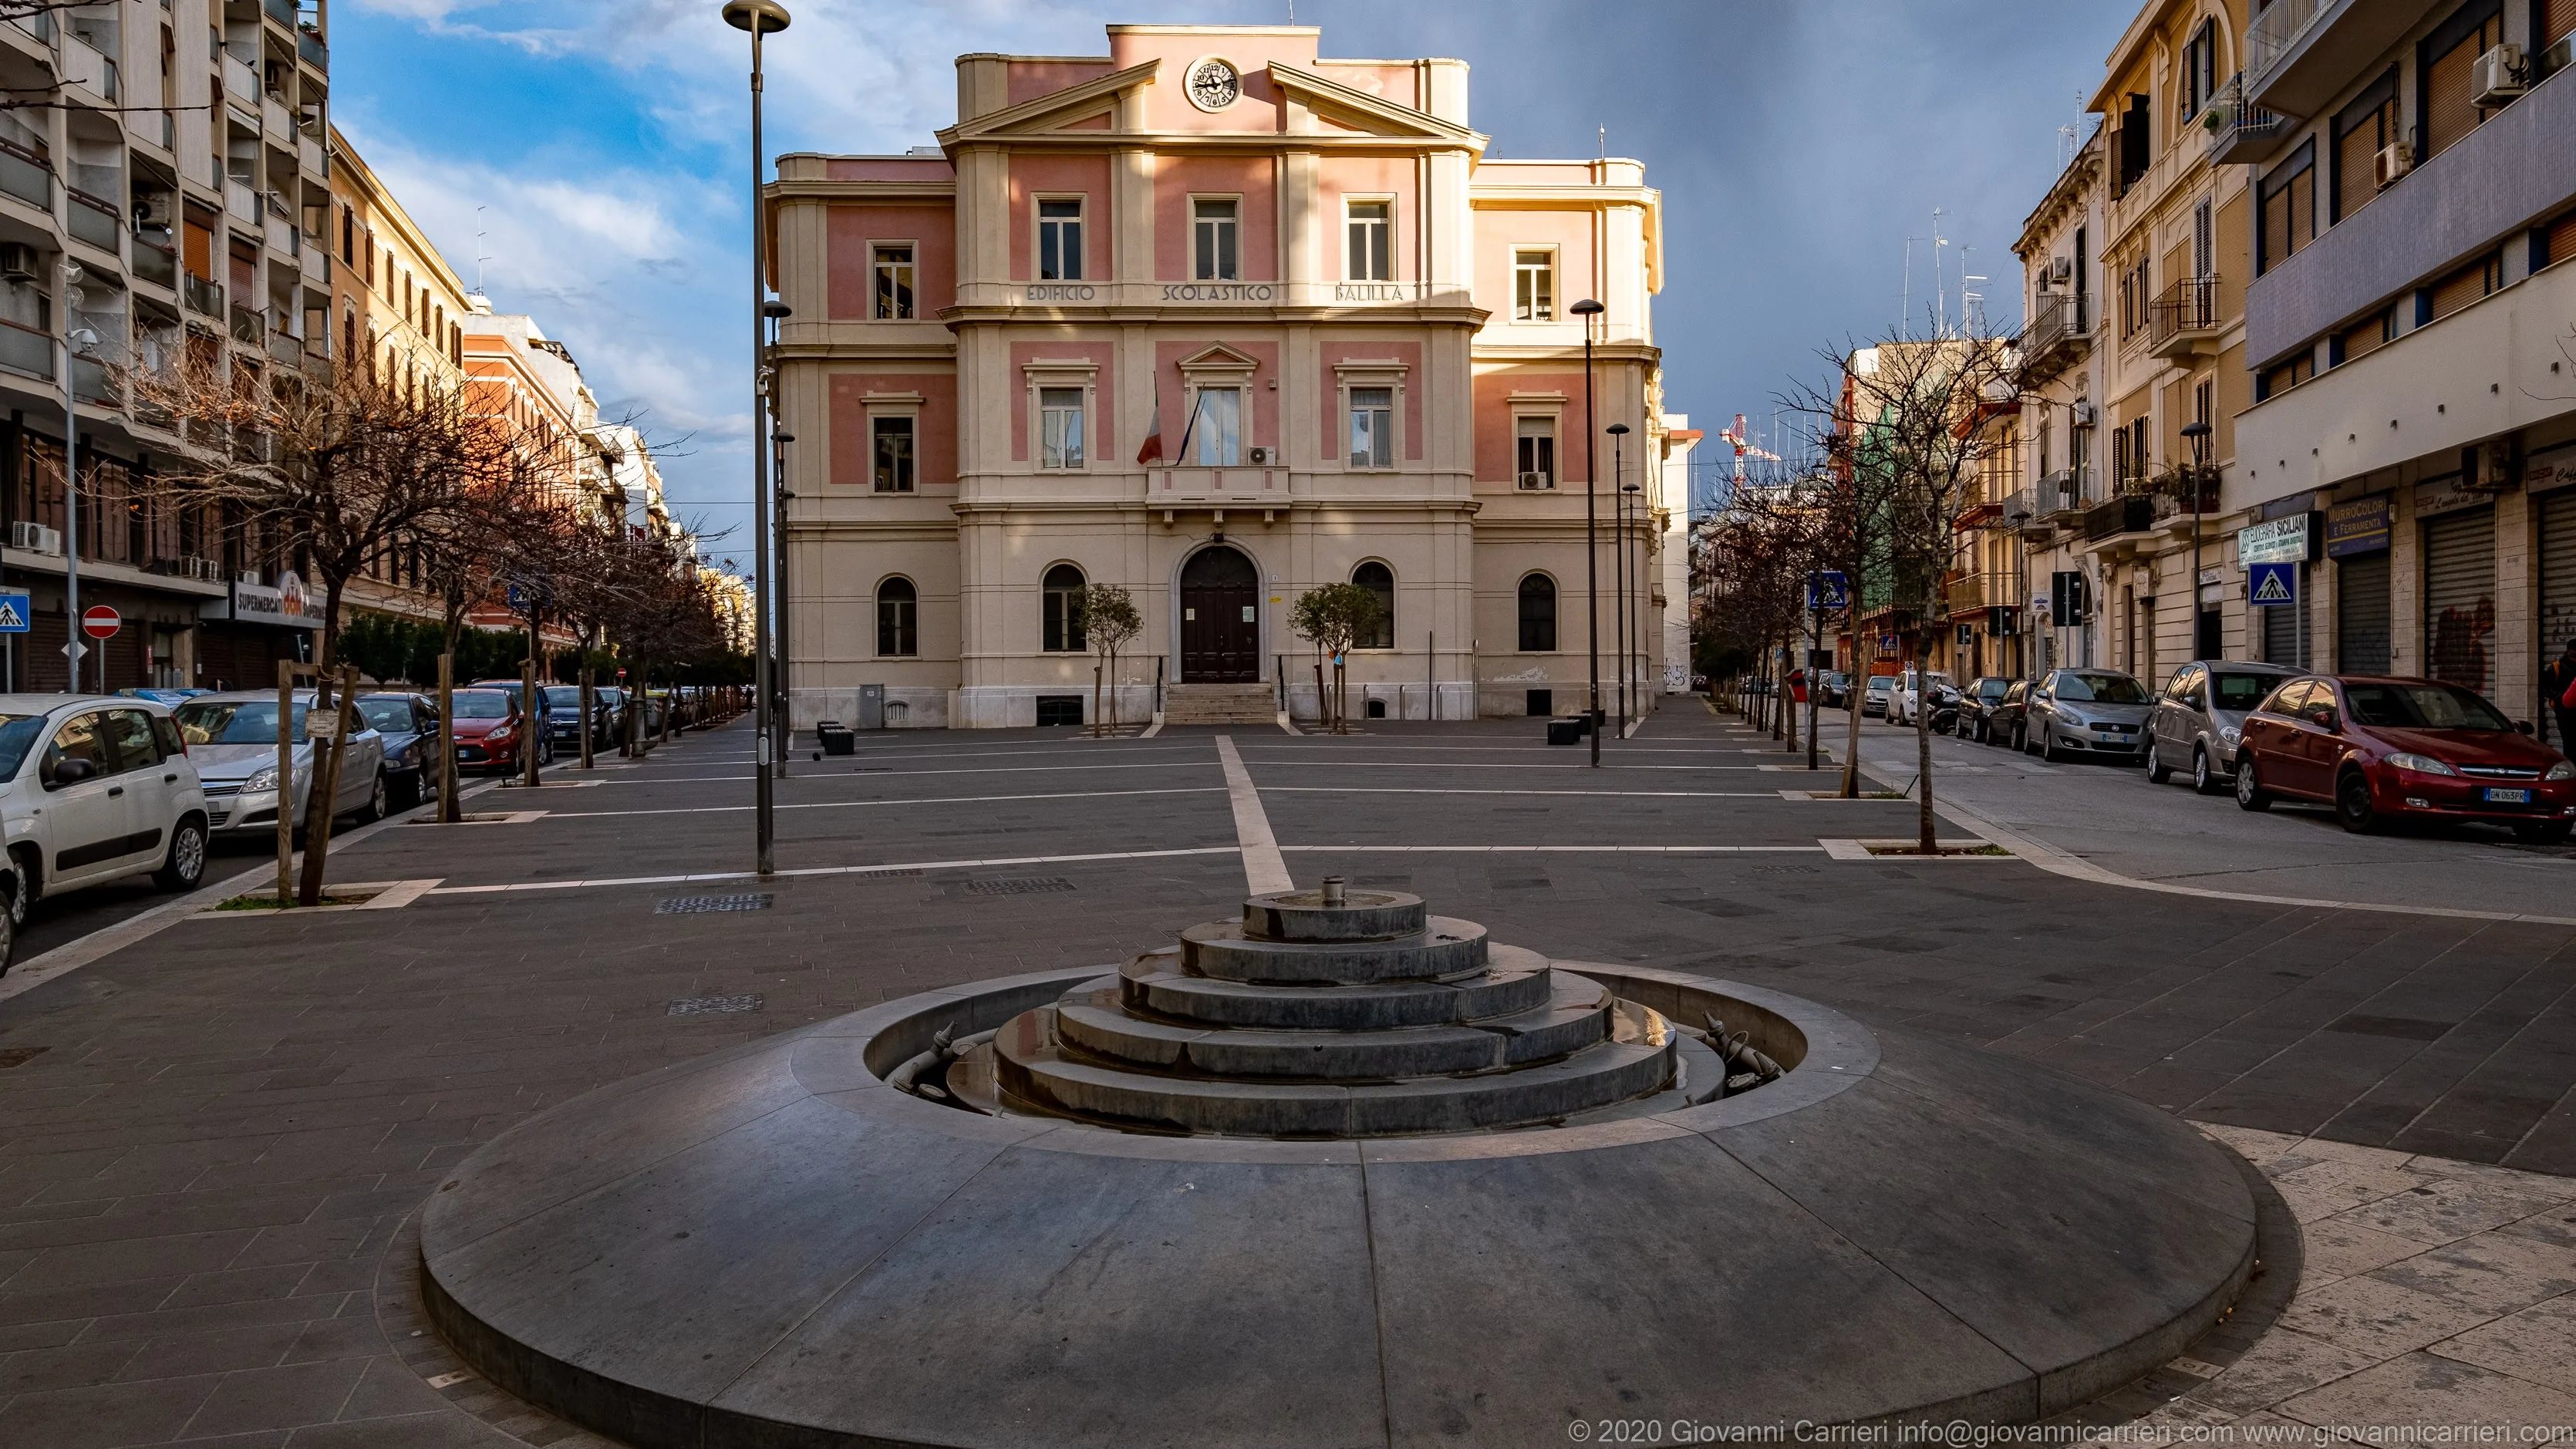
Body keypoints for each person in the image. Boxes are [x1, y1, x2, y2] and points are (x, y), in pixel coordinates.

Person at [2547, 639, 2576, 753]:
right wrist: (2564, 696)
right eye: (2573, 655)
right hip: (2563, 711)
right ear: (2568, 651)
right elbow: (2547, 689)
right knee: (2568, 742)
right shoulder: (2556, 667)